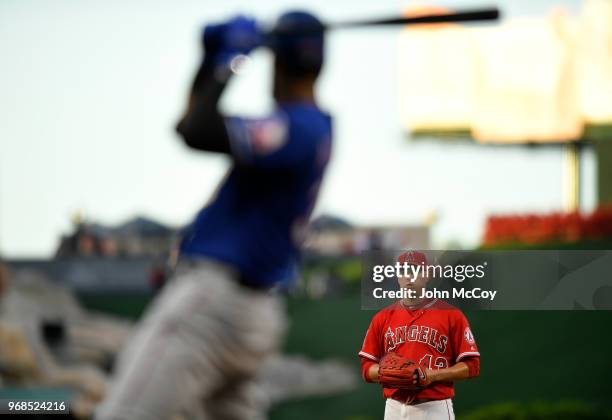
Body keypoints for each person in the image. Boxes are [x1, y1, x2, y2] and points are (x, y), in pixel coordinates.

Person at [96, 10, 331, 420]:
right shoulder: (312, 128)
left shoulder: (297, 128)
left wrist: (228, 63)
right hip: (253, 313)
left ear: (279, 60)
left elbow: (196, 130)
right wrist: (209, 65)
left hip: (214, 305)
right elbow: (191, 124)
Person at [358, 251, 480, 420]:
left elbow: (472, 366)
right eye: (403, 271)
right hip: (394, 408)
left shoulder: (451, 315)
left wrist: (434, 375)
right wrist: (387, 372)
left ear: (427, 275)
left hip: (433, 408)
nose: (409, 276)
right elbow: (366, 368)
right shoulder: (382, 318)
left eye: (415, 270)